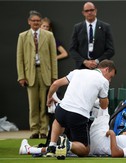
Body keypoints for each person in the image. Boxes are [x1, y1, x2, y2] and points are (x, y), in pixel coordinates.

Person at [19, 110, 126, 158]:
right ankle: (29, 150)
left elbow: (117, 154)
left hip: (102, 142)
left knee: (103, 113)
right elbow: (123, 145)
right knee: (61, 150)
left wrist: (113, 135)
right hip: (101, 142)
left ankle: (69, 114)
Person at [45, 59, 116, 158]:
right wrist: (105, 100)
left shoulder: (77, 72)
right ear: (106, 69)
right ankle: (67, 144)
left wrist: (49, 97)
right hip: (78, 116)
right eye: (111, 77)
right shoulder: (104, 81)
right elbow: (103, 106)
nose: (110, 80)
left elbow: (55, 84)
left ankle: (52, 146)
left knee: (59, 120)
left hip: (62, 110)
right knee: (85, 150)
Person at [16, 10, 58, 139]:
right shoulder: (23, 36)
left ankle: (44, 130)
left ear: (41, 22)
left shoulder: (49, 35)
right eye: (33, 20)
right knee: (33, 105)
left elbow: (53, 57)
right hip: (30, 74)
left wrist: (54, 77)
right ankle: (34, 130)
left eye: (38, 21)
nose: (36, 23)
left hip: (45, 73)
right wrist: (21, 76)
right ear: (29, 22)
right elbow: (20, 57)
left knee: (45, 104)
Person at [40, 16, 69, 147]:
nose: (45, 29)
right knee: (38, 104)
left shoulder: (52, 40)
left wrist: (52, 59)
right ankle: (37, 130)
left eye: (47, 27)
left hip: (49, 74)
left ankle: (45, 130)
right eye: (43, 26)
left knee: (49, 104)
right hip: (35, 73)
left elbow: (64, 53)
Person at [69, 1, 115, 69]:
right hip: (82, 67)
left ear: (95, 10)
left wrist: (97, 61)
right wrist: (84, 61)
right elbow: (72, 49)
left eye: (91, 10)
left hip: (100, 67)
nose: (89, 12)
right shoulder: (77, 28)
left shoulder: (105, 27)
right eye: (87, 11)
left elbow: (111, 50)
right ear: (83, 13)